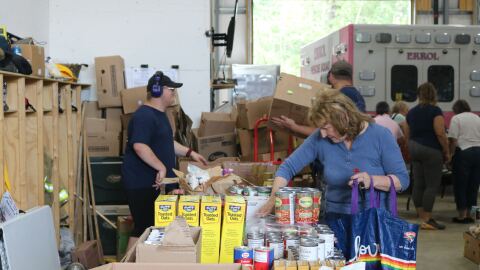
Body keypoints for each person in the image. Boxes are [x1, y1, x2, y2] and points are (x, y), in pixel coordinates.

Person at [257, 89, 409, 217]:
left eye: (326, 127)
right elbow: (287, 167)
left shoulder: (380, 136)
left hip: (373, 219)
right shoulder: (319, 138)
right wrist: (273, 199)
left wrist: (372, 181)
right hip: (335, 219)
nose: (322, 134)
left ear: (343, 118)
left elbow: (402, 180)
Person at [121, 71, 207, 236]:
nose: (174, 93)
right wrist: (161, 167)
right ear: (157, 90)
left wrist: (190, 152)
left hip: (155, 183)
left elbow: (166, 142)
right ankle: (130, 262)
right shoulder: (144, 115)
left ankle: (146, 261)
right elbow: (139, 145)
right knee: (143, 228)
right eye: (171, 89)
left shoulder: (160, 115)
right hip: (142, 183)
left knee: (151, 227)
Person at [406, 82, 450, 230]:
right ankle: (428, 219)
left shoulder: (411, 112)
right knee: (432, 185)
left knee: (418, 183)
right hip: (430, 149)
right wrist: (447, 151)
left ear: (419, 95)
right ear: (433, 94)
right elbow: (440, 132)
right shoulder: (435, 110)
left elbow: (407, 132)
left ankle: (421, 216)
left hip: (414, 147)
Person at [448, 100, 480, 223]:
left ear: (456, 109)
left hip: (463, 152)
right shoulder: (477, 118)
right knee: (474, 185)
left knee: (461, 185)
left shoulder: (456, 119)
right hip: (478, 152)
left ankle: (462, 215)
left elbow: (453, 140)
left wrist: (451, 155)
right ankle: (474, 216)